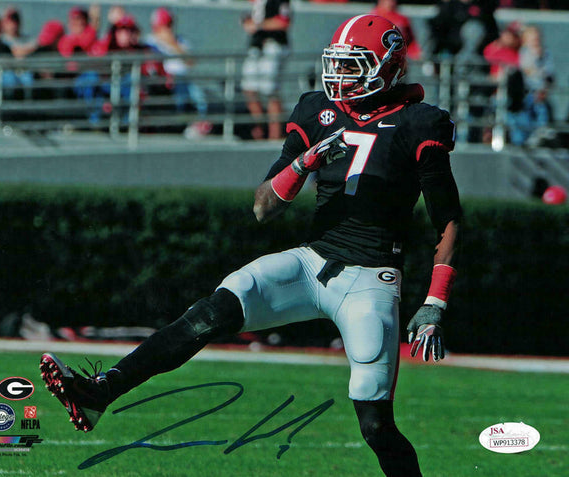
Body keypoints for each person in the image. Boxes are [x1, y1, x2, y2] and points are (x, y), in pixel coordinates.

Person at [40, 15, 462, 477]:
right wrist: (303, 164)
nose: (340, 76)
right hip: (311, 262)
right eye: (338, 65)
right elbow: (263, 208)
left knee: (376, 426)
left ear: (387, 67)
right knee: (212, 310)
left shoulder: (421, 123)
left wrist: (435, 299)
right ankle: (101, 392)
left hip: (371, 280)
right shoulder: (317, 110)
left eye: (354, 66)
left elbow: (448, 219)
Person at [144, 7, 211, 137]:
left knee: (196, 90)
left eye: (169, 25)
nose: (168, 29)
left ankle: (199, 123)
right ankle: (177, 124)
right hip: (162, 80)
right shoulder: (149, 41)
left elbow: (190, 61)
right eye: (164, 25)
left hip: (183, 79)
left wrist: (172, 43)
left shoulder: (180, 41)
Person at [241, 0, 291, 140]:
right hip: (257, 47)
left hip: (273, 45)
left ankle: (274, 135)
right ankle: (260, 128)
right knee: (248, 88)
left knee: (271, 91)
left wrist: (258, 25)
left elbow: (283, 21)